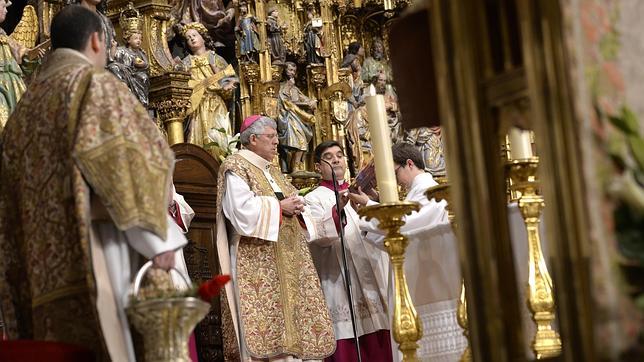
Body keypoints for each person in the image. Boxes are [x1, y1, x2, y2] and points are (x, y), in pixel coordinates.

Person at [0, 6, 187, 361]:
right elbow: (127, 162)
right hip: (101, 253)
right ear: (98, 40)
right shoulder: (92, 84)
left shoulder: (23, 110)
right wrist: (158, 241)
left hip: (39, 273)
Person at [216, 115, 335, 361]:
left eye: (276, 137)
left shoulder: (274, 171)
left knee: (296, 325)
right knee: (268, 325)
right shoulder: (236, 166)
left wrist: (300, 208)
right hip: (258, 259)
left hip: (291, 259)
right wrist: (279, 207)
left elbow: (293, 204)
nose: (276, 142)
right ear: (253, 139)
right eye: (270, 137)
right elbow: (240, 211)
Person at [351, 143, 466, 361]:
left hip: (428, 277)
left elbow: (404, 225)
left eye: (394, 173)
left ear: (410, 164)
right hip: (414, 275)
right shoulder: (414, 193)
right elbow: (392, 238)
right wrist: (373, 206)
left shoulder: (429, 192)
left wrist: (370, 206)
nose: (394, 180)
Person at [303, 141, 392, 362]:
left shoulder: (360, 193)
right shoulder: (313, 198)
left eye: (340, 155)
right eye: (329, 156)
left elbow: (385, 230)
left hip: (372, 275)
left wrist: (372, 202)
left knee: (381, 337)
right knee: (348, 342)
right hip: (339, 279)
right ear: (317, 166)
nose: (336, 159)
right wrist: (338, 210)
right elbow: (316, 237)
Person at [181, 22, 238, 159]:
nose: (192, 39)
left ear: (203, 37)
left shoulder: (216, 58)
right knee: (197, 138)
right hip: (197, 107)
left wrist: (226, 87)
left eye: (194, 35)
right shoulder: (186, 63)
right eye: (188, 38)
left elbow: (230, 82)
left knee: (218, 137)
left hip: (215, 104)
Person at [0, 0, 45, 132]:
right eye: (3, 6)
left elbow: (20, 54)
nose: (7, 10)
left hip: (14, 89)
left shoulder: (3, 35)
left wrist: (32, 54)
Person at [107, 5, 150, 107]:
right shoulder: (121, 50)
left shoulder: (141, 53)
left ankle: (141, 101)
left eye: (140, 38)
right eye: (135, 38)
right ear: (128, 38)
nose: (138, 40)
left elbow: (147, 66)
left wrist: (142, 65)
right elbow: (111, 60)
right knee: (113, 67)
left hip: (136, 75)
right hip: (124, 75)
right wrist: (113, 47)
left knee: (143, 77)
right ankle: (123, 86)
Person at [277, 61, 316, 173]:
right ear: (284, 71)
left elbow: (304, 98)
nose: (292, 73)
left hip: (297, 118)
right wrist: (288, 87)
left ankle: (297, 166)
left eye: (294, 70)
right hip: (289, 118)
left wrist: (311, 102)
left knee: (302, 142)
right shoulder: (282, 86)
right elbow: (284, 102)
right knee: (300, 142)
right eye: (290, 70)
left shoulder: (295, 89)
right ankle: (294, 167)